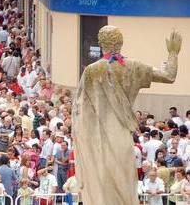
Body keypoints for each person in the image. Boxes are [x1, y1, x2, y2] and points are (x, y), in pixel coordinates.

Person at [73, 27, 181, 205]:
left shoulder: (92, 71)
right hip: (122, 136)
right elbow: (169, 75)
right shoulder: (134, 67)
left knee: (103, 183)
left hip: (100, 137)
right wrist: (173, 53)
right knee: (124, 182)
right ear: (121, 43)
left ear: (101, 44)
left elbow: (80, 111)